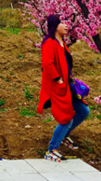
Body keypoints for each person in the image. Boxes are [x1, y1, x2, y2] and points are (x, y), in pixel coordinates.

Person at [37, 14, 90, 162]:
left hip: (68, 86)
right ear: (55, 25)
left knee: (83, 111)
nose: (66, 25)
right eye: (62, 23)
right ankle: (51, 150)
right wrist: (58, 79)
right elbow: (47, 63)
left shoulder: (62, 42)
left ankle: (65, 135)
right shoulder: (49, 42)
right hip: (57, 87)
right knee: (66, 119)